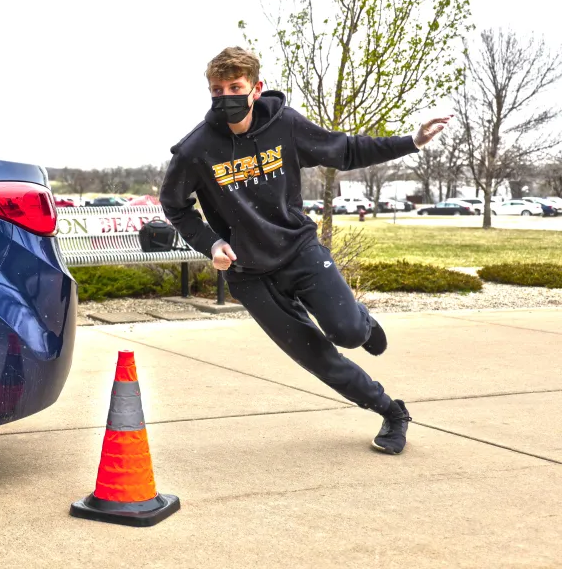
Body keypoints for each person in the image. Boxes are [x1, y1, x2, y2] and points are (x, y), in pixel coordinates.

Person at [159, 47, 451, 455]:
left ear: (255, 89)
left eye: (235, 87)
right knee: (319, 359)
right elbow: (174, 205)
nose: (225, 96)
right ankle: (392, 412)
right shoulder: (196, 149)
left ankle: (360, 323)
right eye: (216, 90)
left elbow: (346, 150)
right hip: (248, 274)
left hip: (300, 251)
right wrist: (211, 242)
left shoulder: (286, 127)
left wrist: (412, 142)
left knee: (347, 333)